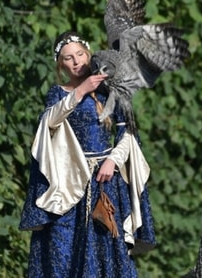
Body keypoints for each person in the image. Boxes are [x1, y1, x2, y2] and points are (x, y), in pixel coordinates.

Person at [19, 30, 156, 277]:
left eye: (80, 54)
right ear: (61, 64)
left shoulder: (110, 89)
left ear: (88, 53)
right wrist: (80, 91)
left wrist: (113, 160)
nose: (76, 61)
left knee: (105, 248)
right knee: (62, 248)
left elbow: (128, 133)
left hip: (104, 182)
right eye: (68, 57)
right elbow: (49, 123)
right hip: (68, 185)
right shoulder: (58, 93)